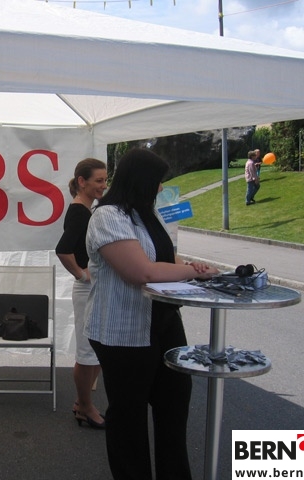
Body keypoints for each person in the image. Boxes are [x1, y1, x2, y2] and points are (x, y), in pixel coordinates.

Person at [84, 148, 218, 479]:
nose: (161, 187)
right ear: (140, 180)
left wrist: (191, 267)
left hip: (165, 323)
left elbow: (166, 259)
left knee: (174, 405)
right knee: (128, 419)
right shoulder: (107, 216)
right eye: (157, 181)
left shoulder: (147, 213)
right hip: (123, 332)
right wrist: (192, 273)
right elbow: (141, 272)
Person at [55, 158, 108, 429]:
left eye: (105, 180)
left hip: (94, 288)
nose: (103, 185)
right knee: (87, 352)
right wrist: (81, 273)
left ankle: (83, 404)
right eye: (99, 180)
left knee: (95, 351)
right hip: (87, 290)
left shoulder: (87, 209)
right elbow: (63, 250)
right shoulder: (79, 211)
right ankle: (85, 406)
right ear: (81, 182)